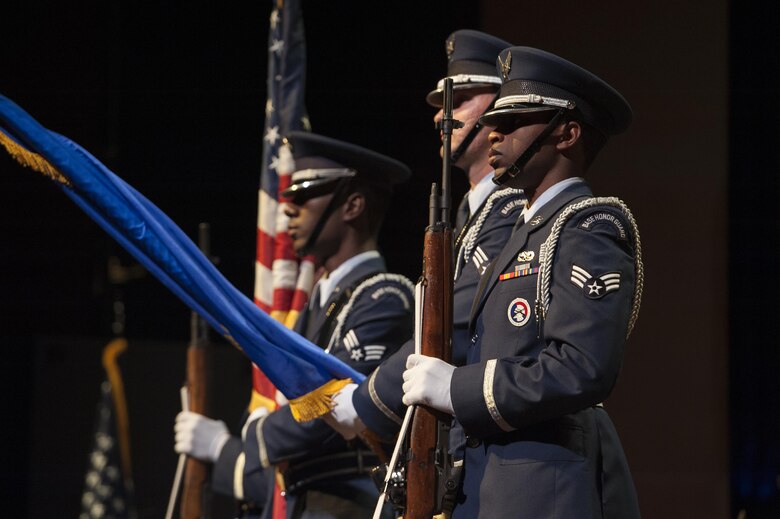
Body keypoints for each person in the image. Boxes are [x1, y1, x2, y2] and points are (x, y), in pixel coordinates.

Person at [401, 46, 644, 518]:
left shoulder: (589, 229)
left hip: (544, 488)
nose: (495, 133)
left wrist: (459, 388)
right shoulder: (519, 231)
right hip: (489, 482)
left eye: (515, 123)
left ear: (567, 134)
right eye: (495, 121)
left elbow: (581, 367)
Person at [174, 131, 416, 518]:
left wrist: (247, 437)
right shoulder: (319, 302)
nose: (288, 209)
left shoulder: (384, 298)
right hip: (304, 500)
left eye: (304, 197)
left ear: (352, 205)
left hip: (348, 504)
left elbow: (324, 413)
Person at [325, 30, 527, 450]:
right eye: (439, 104)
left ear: (499, 107)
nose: (440, 116)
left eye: (462, 98)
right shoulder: (470, 212)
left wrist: (367, 400)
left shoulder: (513, 209)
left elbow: (455, 319)